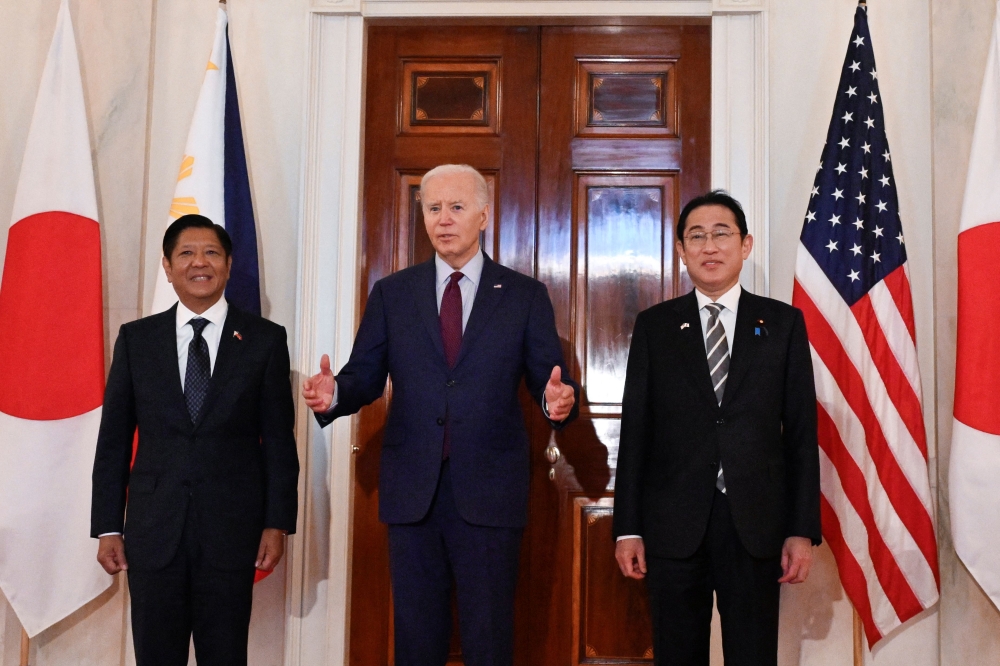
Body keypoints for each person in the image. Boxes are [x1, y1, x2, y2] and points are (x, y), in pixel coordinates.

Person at [302, 164, 579, 666]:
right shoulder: (393, 293)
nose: (444, 219)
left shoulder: (523, 295)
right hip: (413, 493)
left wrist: (558, 402)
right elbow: (364, 375)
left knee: (489, 639)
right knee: (416, 639)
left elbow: (548, 381)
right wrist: (334, 392)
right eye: (433, 208)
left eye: (456, 207)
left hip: (490, 491)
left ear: (483, 216)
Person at [612, 191, 821, 666]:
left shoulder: (784, 324)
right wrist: (627, 528)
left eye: (721, 234)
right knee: (677, 653)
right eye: (697, 237)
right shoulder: (655, 326)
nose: (710, 247)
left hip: (756, 523)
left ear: (745, 245)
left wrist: (801, 529)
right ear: (681, 250)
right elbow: (636, 431)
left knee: (752, 654)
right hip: (672, 525)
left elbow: (803, 434)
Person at [91, 214, 299, 666]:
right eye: (186, 253)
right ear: (167, 266)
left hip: (231, 531)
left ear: (227, 265)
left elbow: (281, 442)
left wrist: (276, 522)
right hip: (153, 532)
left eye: (211, 253)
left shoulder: (264, 340)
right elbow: (112, 441)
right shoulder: (136, 340)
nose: (198, 262)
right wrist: (108, 526)